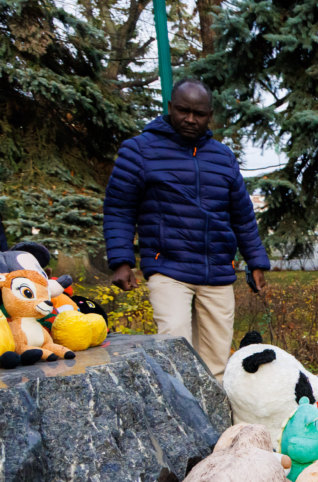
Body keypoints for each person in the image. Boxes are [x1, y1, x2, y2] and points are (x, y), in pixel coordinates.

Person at [103, 79, 269, 381]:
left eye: (199, 113)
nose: (190, 119)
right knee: (175, 349)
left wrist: (256, 261)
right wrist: (121, 260)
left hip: (216, 269)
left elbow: (242, 216)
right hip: (168, 266)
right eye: (183, 110)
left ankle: (216, 423)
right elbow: (119, 208)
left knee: (217, 361)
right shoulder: (139, 150)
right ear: (170, 108)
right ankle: (181, 422)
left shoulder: (223, 157)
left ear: (210, 115)